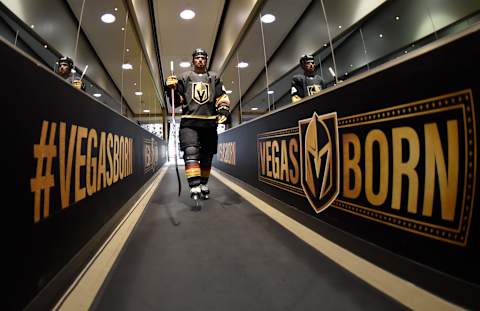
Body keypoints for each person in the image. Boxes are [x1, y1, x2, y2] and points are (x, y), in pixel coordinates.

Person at [165, 48, 230, 200]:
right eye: (197, 57)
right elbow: (177, 101)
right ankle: (194, 185)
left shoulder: (214, 77)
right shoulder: (184, 77)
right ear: (193, 60)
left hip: (209, 124)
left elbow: (222, 96)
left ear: (206, 60)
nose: (200, 60)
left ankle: (203, 183)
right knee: (191, 153)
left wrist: (223, 110)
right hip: (189, 122)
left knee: (207, 157)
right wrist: (170, 88)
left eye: (203, 58)